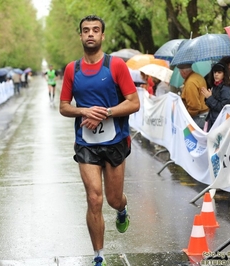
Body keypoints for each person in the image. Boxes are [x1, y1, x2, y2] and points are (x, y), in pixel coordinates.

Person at [59, 15, 140, 266]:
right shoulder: (72, 69)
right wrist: (84, 111)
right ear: (81, 36)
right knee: (94, 198)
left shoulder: (115, 66)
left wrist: (104, 112)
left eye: (95, 30)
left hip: (115, 141)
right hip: (86, 144)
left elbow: (134, 102)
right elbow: (63, 106)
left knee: (113, 199)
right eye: (86, 30)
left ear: (102, 36)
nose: (90, 34)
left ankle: (122, 209)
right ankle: (98, 257)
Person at [200, 62, 230, 132]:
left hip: (220, 122)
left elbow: (222, 107)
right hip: (213, 120)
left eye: (219, 72)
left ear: (224, 74)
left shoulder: (226, 89)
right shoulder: (215, 86)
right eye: (214, 72)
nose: (216, 74)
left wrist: (210, 98)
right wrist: (207, 98)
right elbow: (212, 105)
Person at [177, 63, 209, 129]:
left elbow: (194, 106)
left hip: (198, 118)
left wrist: (185, 117)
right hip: (205, 115)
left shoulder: (190, 83)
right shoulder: (198, 76)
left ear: (183, 72)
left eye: (179, 72)